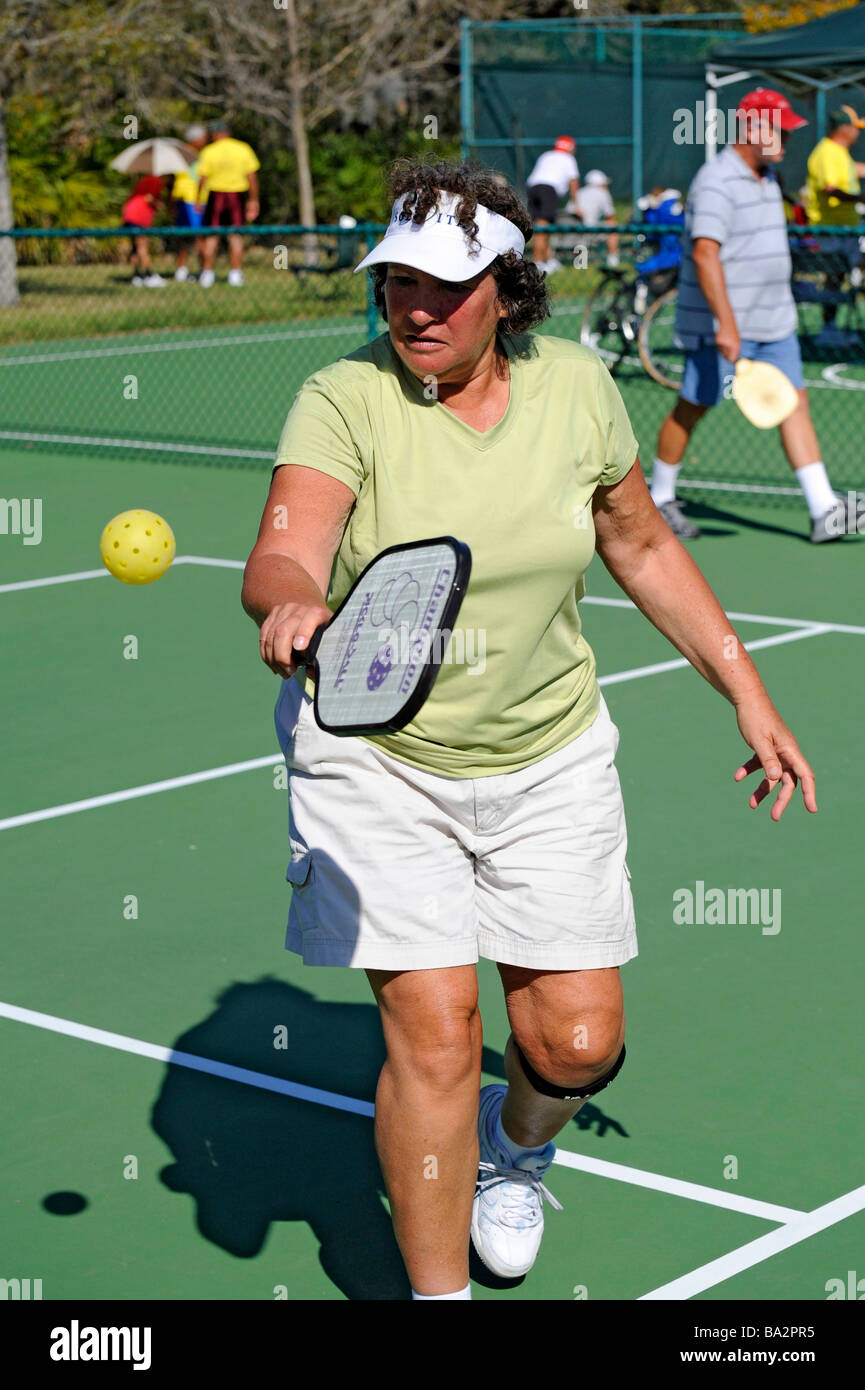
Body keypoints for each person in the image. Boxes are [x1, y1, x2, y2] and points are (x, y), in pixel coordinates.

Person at [242, 159, 816, 1301]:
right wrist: (291, 600)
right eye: (396, 281)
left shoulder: (574, 387)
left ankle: (520, 1143)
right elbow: (287, 543)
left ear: (508, 288)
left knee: (572, 1042)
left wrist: (744, 690)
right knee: (439, 1028)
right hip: (379, 754)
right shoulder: (342, 396)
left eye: (445, 287)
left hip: (546, 748)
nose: (414, 306)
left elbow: (641, 543)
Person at [650, 87, 863, 544]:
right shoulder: (716, 181)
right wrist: (727, 324)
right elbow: (706, 255)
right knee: (694, 405)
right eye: (781, 130)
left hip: (775, 321)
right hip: (720, 326)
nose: (788, 139)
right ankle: (660, 499)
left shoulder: (769, 177)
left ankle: (824, 508)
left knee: (795, 403)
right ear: (753, 128)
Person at [803, 105, 865, 346]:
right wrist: (860, 199)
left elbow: (854, 170)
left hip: (845, 230)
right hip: (832, 231)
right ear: (845, 129)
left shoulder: (839, 152)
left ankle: (835, 326)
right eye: (855, 128)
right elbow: (831, 189)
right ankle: (828, 328)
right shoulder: (828, 152)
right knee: (834, 277)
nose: (858, 134)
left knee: (842, 277)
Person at [195, 117, 260, 287]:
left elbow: (202, 178)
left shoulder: (209, 151)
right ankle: (236, 274)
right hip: (236, 197)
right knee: (235, 236)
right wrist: (253, 200)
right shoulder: (243, 148)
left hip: (216, 196)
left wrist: (198, 199)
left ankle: (207, 274)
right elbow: (251, 177)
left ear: (216, 134)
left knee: (211, 236)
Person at [526, 135, 579, 274]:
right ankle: (538, 262)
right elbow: (573, 182)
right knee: (543, 227)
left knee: (542, 225)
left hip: (532, 188)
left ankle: (548, 260)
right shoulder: (568, 159)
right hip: (547, 189)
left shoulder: (546, 155)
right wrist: (576, 204)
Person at [171, 124, 208, 283]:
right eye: (203, 137)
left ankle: (191, 269)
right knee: (195, 236)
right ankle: (195, 269)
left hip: (189, 199)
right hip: (190, 199)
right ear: (195, 139)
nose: (205, 140)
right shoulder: (185, 154)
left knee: (188, 235)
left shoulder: (198, 154)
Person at [121, 175, 165, 287]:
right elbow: (149, 198)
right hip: (138, 217)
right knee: (142, 246)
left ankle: (136, 276)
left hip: (130, 215)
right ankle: (148, 275)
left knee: (135, 247)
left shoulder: (144, 180)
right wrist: (158, 204)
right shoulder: (155, 181)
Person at [573, 169, 619, 267]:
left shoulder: (579, 192)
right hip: (591, 229)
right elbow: (610, 216)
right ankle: (613, 258)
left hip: (574, 229)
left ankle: (581, 263)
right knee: (612, 226)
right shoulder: (603, 193)